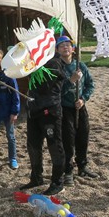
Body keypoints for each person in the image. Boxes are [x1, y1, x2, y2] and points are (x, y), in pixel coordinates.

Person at [21, 54, 67, 196]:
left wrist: (37, 67)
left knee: (54, 146)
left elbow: (50, 83)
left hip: (49, 111)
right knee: (33, 146)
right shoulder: (32, 61)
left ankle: (57, 182)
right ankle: (36, 177)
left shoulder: (54, 62)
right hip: (33, 111)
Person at [56, 36, 99, 185]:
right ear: (57, 50)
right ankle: (68, 171)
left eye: (68, 45)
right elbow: (56, 91)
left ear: (73, 49)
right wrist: (71, 81)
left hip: (79, 107)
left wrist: (83, 99)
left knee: (83, 136)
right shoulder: (57, 68)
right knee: (68, 140)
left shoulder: (80, 66)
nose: (65, 48)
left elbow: (90, 84)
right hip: (65, 108)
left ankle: (82, 166)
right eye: (61, 46)